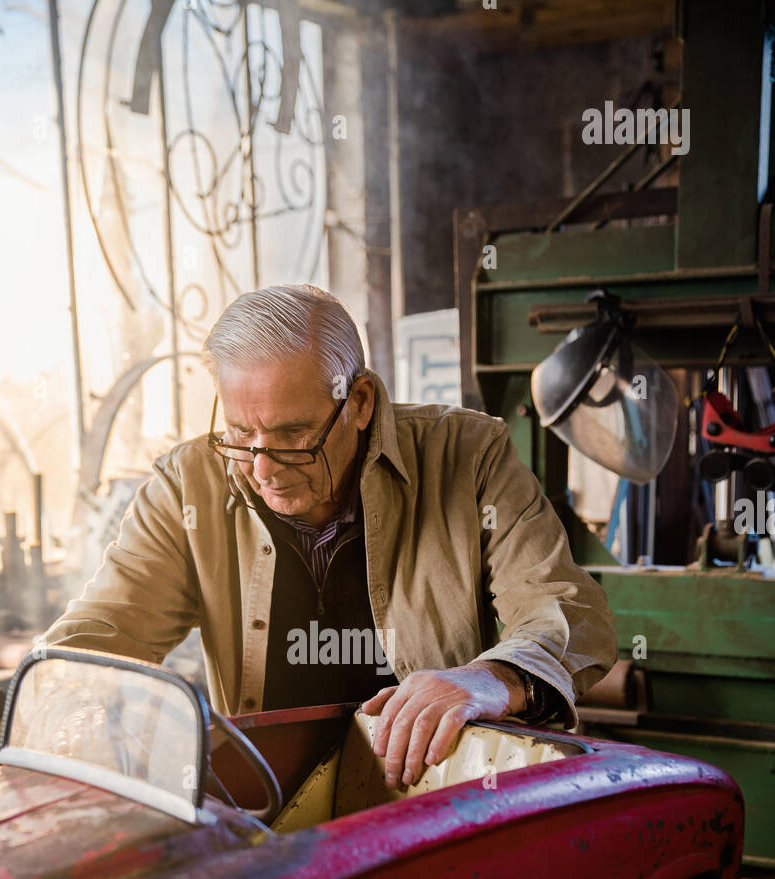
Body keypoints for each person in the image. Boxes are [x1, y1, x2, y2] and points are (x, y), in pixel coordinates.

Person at [39, 284, 617, 791]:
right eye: (241, 434)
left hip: (438, 799)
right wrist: (77, 713)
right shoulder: (185, 487)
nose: (263, 468)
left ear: (359, 402)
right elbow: (96, 638)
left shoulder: (467, 457)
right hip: (272, 810)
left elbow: (567, 612)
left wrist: (490, 680)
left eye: (293, 435)